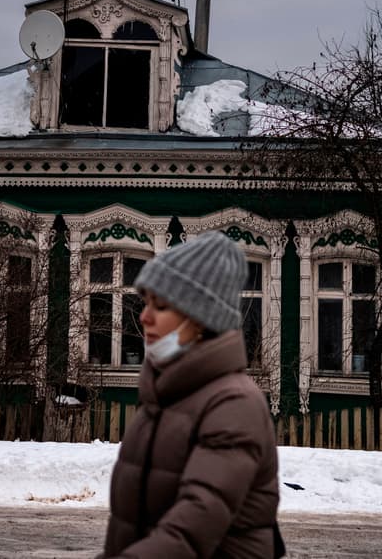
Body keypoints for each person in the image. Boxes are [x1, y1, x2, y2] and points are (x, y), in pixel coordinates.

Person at [101, 231, 281, 558]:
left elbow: (191, 528)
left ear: (200, 319)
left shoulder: (234, 404)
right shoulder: (164, 394)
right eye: (145, 302)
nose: (144, 316)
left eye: (162, 305)